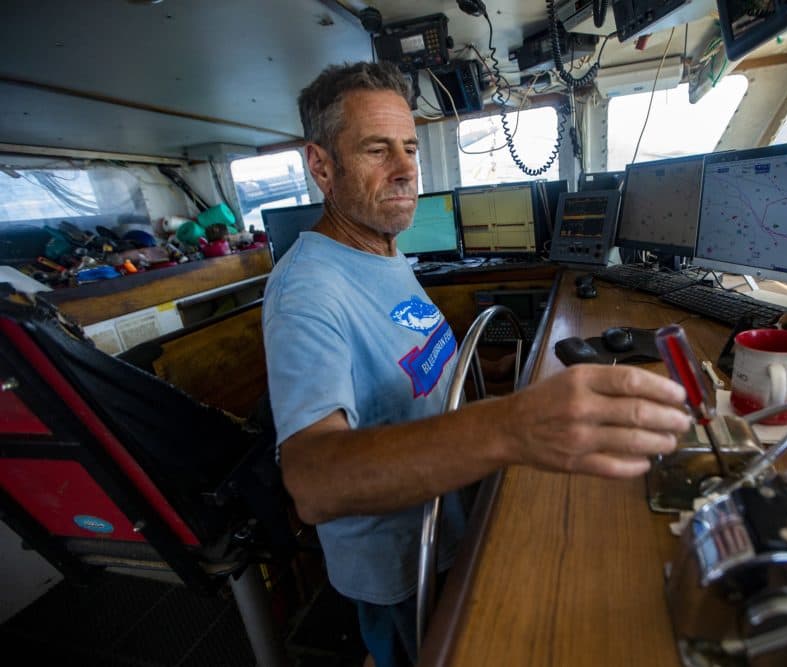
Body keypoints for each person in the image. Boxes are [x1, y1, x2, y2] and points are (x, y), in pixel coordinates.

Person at [262, 61, 691, 667]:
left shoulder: (381, 253)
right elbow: (312, 482)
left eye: (410, 147)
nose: (406, 167)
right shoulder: (307, 291)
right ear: (321, 166)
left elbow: (420, 380)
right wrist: (511, 425)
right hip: (409, 574)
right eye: (377, 149)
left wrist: (508, 403)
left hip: (455, 519)